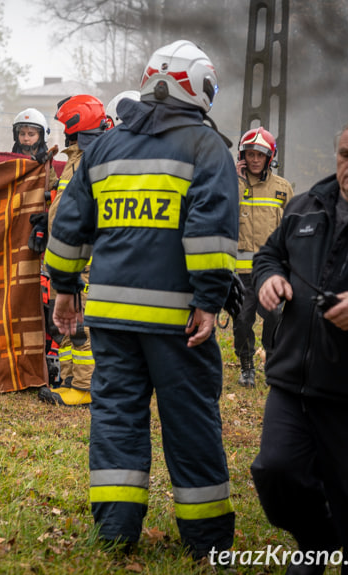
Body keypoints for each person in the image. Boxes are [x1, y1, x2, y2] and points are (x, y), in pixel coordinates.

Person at [45, 40, 238, 558]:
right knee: (191, 425)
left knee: (116, 421)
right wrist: (209, 299)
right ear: (198, 87)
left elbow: (69, 225)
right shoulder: (207, 148)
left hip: (110, 316)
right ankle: (208, 545)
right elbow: (211, 235)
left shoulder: (105, 146)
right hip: (178, 321)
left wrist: (64, 288)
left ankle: (113, 534)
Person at [250, 114, 348, 574]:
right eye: (346, 154)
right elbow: (269, 254)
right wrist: (270, 278)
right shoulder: (306, 205)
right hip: (291, 381)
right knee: (274, 473)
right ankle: (317, 541)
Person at [37, 94, 108, 407]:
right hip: (64, 259)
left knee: (80, 328)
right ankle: (68, 380)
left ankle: (83, 387)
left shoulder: (90, 161)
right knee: (65, 324)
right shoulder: (76, 159)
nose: (62, 129)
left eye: (65, 123)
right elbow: (62, 201)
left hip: (83, 262)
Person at [232, 126, 293, 387]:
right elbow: (221, 213)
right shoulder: (229, 183)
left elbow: (293, 229)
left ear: (270, 157)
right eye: (250, 154)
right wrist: (232, 180)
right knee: (242, 321)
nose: (255, 159)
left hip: (271, 273)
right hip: (240, 275)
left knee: (276, 316)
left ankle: (272, 359)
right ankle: (246, 366)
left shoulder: (282, 188)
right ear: (242, 156)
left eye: (260, 155)